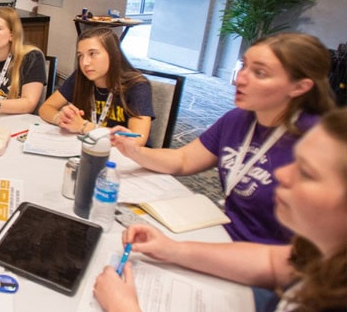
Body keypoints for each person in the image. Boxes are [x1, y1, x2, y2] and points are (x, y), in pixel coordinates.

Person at [94, 107, 347, 312]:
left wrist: (122, 308)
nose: (282, 174)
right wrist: (171, 249)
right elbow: (272, 261)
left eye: (306, 172)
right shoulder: (323, 255)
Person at [110, 33, 334, 245]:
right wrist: (135, 151)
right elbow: (184, 159)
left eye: (260, 73)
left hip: (271, 262)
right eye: (244, 66)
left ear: (299, 87)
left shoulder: (318, 142)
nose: (239, 79)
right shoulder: (238, 119)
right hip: (224, 234)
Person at [38, 27, 154, 146]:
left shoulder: (137, 86)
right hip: (87, 148)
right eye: (81, 56)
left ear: (113, 54)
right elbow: (45, 108)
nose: (85, 62)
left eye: (92, 54)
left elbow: (137, 138)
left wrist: (84, 127)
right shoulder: (80, 77)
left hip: (124, 156)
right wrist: (60, 118)